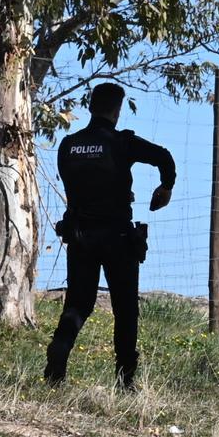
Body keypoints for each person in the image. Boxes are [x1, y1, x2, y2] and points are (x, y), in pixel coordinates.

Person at [45, 83, 175, 390]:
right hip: (117, 236)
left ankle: (59, 354)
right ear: (117, 110)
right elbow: (164, 157)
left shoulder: (68, 145)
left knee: (78, 303)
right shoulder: (122, 142)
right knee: (125, 308)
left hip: (80, 235)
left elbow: (76, 185)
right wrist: (165, 186)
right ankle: (125, 379)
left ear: (90, 107)